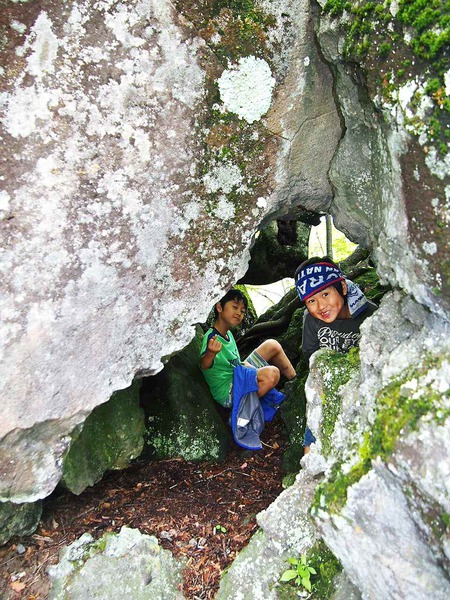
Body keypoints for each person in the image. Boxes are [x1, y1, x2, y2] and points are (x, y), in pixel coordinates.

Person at [294, 256, 378, 452]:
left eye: (325, 294)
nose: (320, 306)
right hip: (326, 388)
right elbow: (310, 354)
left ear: (343, 287)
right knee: (313, 434)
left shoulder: (370, 316)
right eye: (311, 300)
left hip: (360, 387)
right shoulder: (311, 319)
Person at [200, 289, 296, 449]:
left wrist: (249, 368)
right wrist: (210, 353)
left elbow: (236, 363)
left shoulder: (228, 335)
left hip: (238, 376)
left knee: (272, 345)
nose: (239, 313)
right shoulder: (211, 338)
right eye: (235, 307)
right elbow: (204, 364)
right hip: (229, 391)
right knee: (272, 374)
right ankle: (241, 409)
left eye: (242, 311)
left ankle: (295, 380)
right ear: (219, 307)